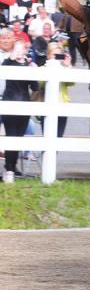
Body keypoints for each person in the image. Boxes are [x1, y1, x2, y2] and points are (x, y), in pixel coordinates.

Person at [1, 40, 39, 183]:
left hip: (24, 104)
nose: (18, 51)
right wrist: (11, 58)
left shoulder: (28, 65)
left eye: (20, 49)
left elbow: (35, 87)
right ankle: (9, 169)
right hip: (10, 103)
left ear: (25, 51)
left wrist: (33, 70)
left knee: (19, 138)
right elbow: (4, 69)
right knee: (11, 136)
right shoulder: (8, 62)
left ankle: (12, 166)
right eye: (16, 49)